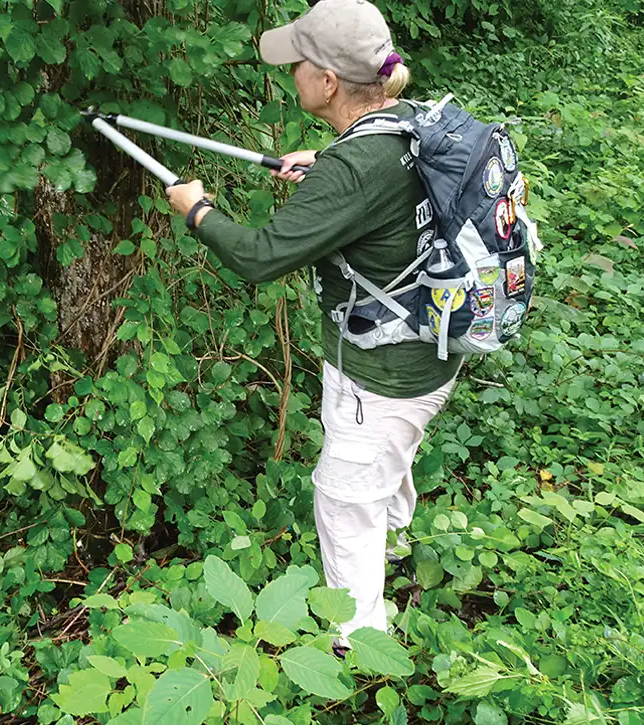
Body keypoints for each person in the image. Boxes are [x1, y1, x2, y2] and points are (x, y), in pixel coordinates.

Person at [165, 0, 461, 651]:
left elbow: (258, 256)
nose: (290, 69)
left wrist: (197, 211)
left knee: (341, 501)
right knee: (383, 468)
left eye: (300, 60)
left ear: (327, 81)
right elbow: (372, 178)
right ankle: (395, 540)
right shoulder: (406, 119)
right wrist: (327, 165)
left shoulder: (350, 172)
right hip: (431, 355)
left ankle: (358, 651)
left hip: (382, 377)